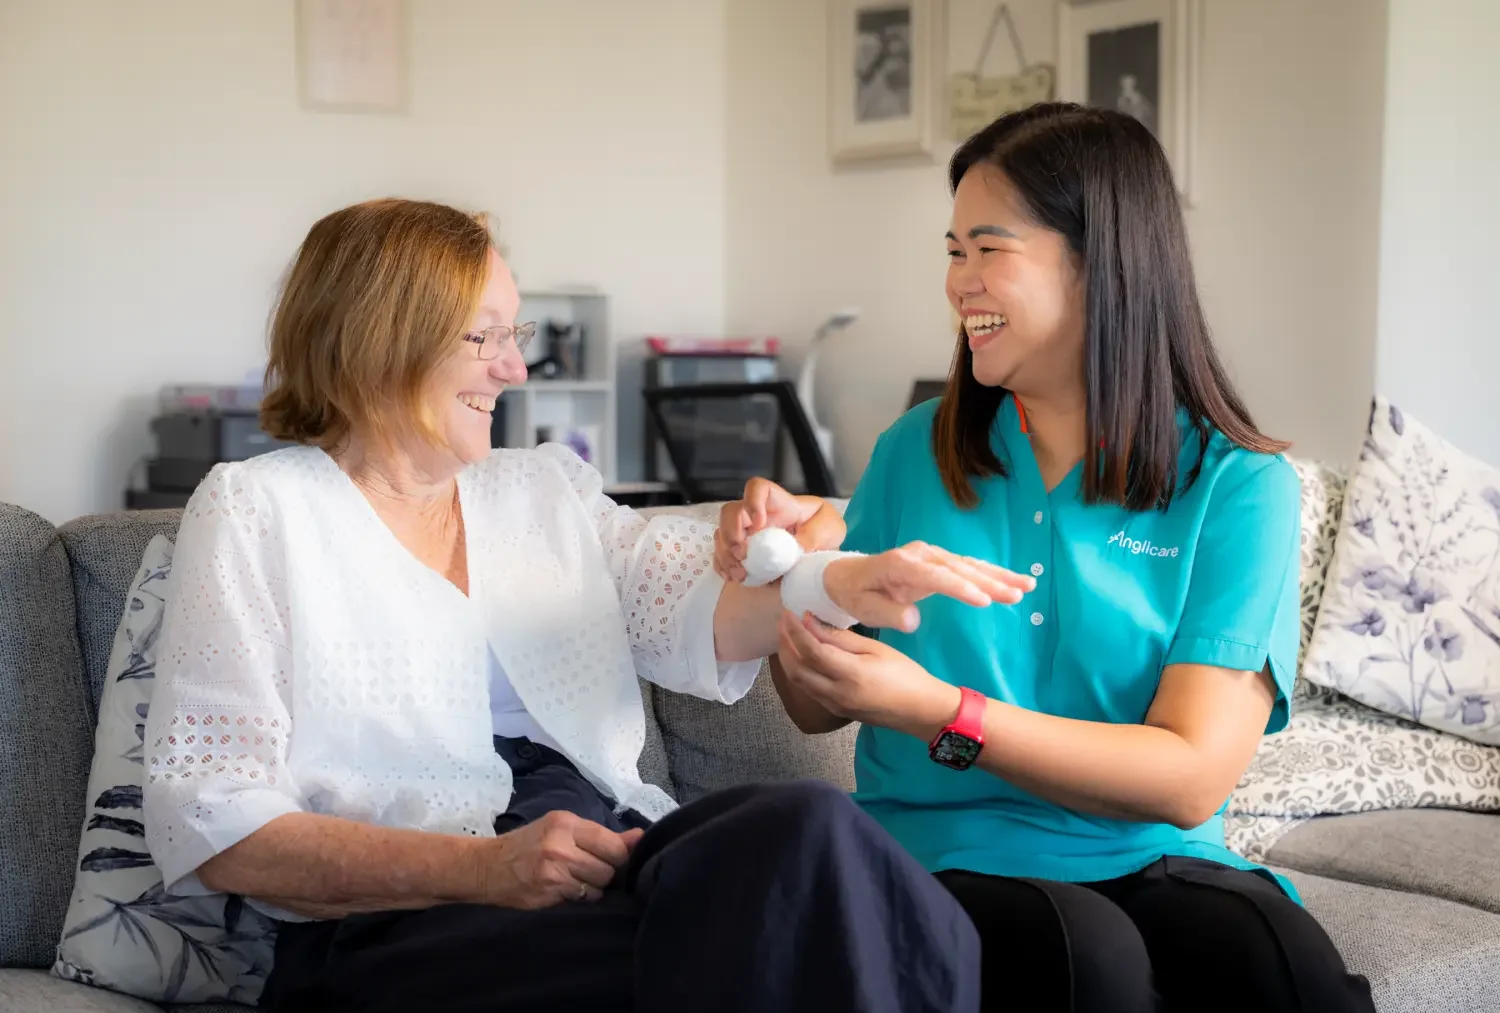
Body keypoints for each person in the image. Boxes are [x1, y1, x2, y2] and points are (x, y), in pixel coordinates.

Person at [141, 199, 1033, 1012]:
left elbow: (703, 603)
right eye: (482, 337)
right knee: (803, 932)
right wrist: (486, 868)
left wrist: (839, 578)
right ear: (386, 337)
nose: (515, 365)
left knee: (813, 830)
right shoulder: (261, 508)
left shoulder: (539, 491)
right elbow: (215, 820)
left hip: (607, 862)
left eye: (513, 332)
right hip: (406, 921)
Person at [719, 104, 1377, 1013]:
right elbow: (809, 703)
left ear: (1101, 261)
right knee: (1083, 958)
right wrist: (802, 582)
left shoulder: (1237, 485)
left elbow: (1189, 777)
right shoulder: (916, 449)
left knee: (1282, 967)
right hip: (940, 849)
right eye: (953, 251)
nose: (959, 283)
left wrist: (944, 712)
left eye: (989, 250)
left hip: (1156, 854)